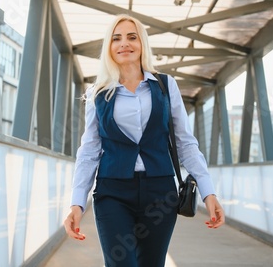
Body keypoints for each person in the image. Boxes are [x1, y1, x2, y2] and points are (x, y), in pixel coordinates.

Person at [64, 14, 225, 267]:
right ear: (109, 47)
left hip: (160, 193)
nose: (124, 44)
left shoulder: (165, 86)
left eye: (131, 37)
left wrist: (208, 192)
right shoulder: (98, 92)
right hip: (112, 192)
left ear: (142, 44)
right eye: (116, 39)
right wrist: (77, 202)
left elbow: (185, 142)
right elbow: (90, 150)